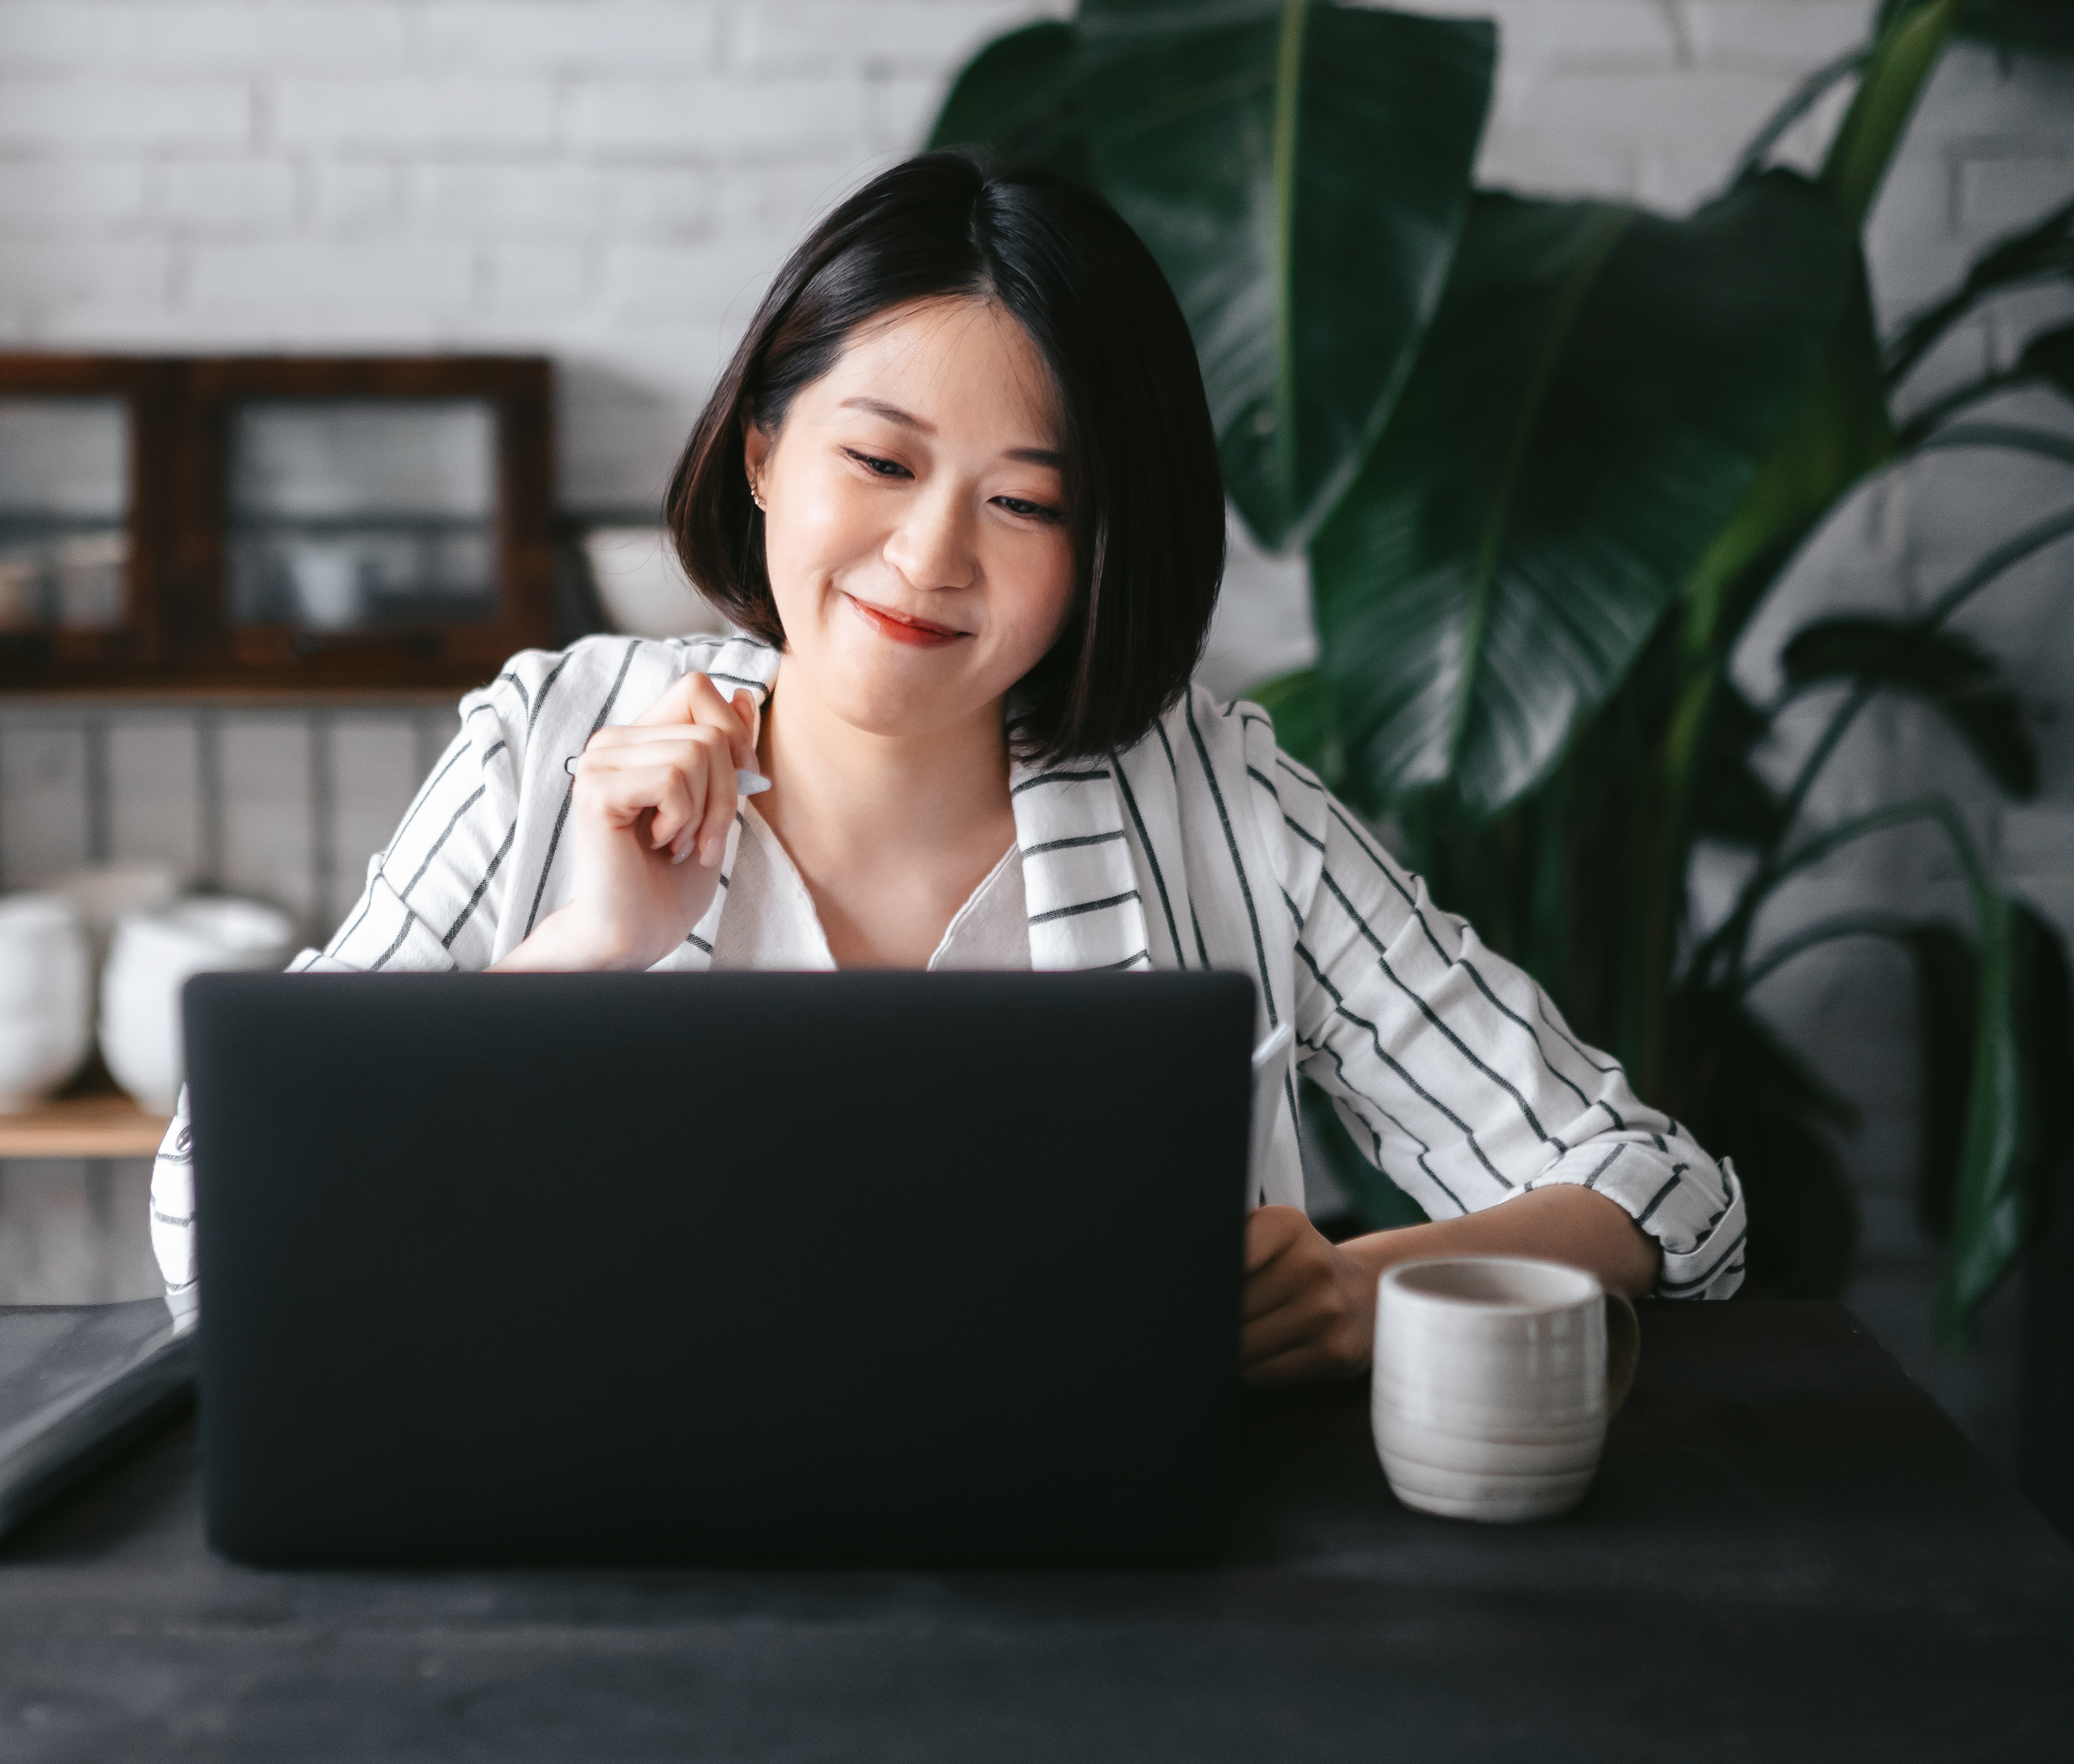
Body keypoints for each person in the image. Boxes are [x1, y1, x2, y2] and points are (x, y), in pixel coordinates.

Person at [150, 152, 1743, 1378]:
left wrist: (1356, 1284)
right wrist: (583, 953)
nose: (929, 560)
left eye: (1026, 502)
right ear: (765, 449)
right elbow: (222, 1223)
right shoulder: (549, 747)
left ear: (1102, 548)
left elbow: (1660, 1191)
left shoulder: (1219, 803)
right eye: (882, 460)